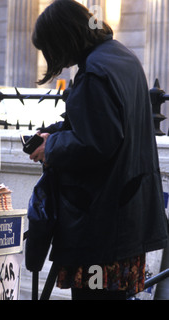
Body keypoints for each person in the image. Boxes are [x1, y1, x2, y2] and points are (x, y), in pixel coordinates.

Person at [28, 0, 168, 300]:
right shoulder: (120, 57)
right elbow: (100, 123)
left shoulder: (94, 71)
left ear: (64, 37)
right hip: (126, 217)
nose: (53, 58)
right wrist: (53, 133)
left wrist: (50, 147)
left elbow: (96, 144)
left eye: (50, 47)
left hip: (102, 224)